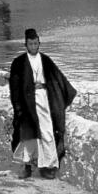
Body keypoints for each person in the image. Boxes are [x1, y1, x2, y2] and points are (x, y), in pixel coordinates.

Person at [9, 28, 76, 180]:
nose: (33, 46)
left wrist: (65, 94)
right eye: (30, 44)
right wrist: (18, 107)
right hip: (27, 104)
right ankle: (26, 166)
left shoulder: (45, 60)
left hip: (44, 100)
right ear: (25, 44)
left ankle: (46, 166)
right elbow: (14, 87)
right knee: (27, 135)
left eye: (35, 43)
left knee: (47, 133)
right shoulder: (18, 63)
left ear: (39, 43)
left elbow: (58, 78)